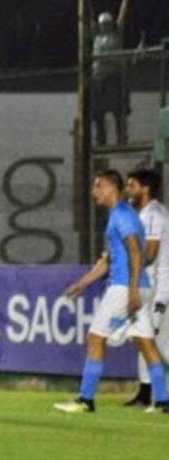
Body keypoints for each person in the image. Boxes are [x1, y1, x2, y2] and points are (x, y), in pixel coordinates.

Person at [55, 170, 168, 414]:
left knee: (96, 338)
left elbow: (137, 253)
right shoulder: (124, 215)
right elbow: (109, 259)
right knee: (147, 343)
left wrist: (133, 290)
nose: (95, 191)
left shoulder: (122, 215)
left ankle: (86, 399)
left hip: (125, 287)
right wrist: (82, 283)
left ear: (111, 188)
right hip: (141, 286)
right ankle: (163, 400)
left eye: (99, 186)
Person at [124, 167, 169, 407]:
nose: (128, 190)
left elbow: (150, 254)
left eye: (132, 185)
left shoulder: (153, 215)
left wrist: (126, 263)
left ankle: (160, 395)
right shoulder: (147, 213)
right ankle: (146, 392)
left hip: (162, 287)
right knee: (145, 337)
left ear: (145, 188)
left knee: (154, 341)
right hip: (152, 284)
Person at [92, 0, 131, 147]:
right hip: (99, 77)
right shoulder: (97, 35)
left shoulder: (117, 33)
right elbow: (88, 19)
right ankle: (101, 140)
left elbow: (122, 15)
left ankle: (122, 139)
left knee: (118, 110)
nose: (105, 26)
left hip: (114, 76)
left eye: (107, 23)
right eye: (103, 24)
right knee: (97, 112)